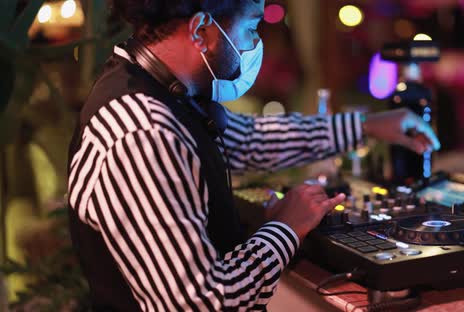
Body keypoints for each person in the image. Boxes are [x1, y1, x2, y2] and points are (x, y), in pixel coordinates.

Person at [67, 0, 441, 310]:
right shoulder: (143, 133)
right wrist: (285, 229)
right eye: (250, 28)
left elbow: (248, 140)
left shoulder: (168, 93)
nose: (254, 43)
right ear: (201, 31)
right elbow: (205, 303)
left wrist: (366, 126)